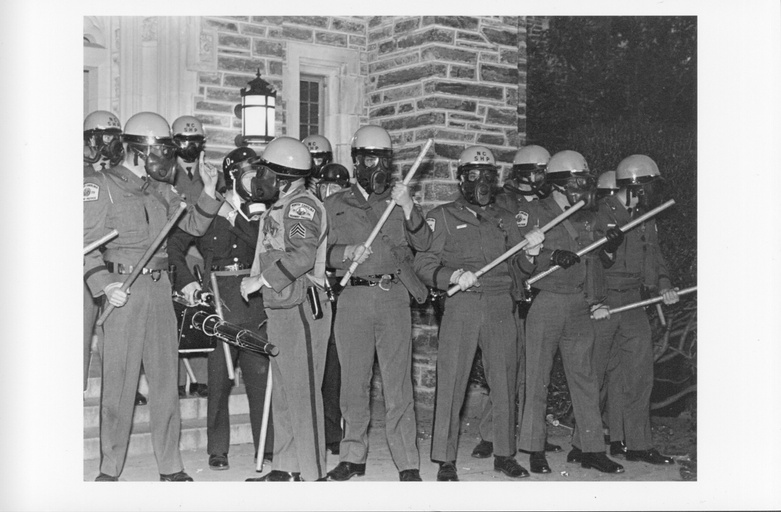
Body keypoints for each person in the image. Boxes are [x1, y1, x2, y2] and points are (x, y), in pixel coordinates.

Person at [84, 111, 222, 482]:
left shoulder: (160, 190)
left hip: (161, 291)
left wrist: (209, 193)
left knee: (165, 382)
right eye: (163, 149)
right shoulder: (103, 186)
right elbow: (84, 244)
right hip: (123, 292)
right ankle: (110, 468)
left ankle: (171, 466)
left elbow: (190, 226)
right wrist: (103, 286)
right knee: (118, 385)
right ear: (139, 151)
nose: (171, 158)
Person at [415, 146, 544, 481]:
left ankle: (504, 453)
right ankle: (445, 459)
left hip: (501, 304)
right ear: (461, 179)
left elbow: (520, 267)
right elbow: (424, 264)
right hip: (463, 304)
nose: (482, 182)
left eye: (488, 176)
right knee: (452, 379)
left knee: (505, 381)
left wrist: (531, 252)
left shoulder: (504, 217)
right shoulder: (443, 215)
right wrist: (453, 276)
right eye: (474, 175)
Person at [324, 125, 431, 482]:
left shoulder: (399, 199)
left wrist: (409, 204)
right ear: (355, 161)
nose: (377, 166)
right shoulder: (334, 203)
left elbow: (425, 243)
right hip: (353, 297)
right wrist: (345, 253)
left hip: (392, 297)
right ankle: (352, 455)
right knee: (353, 381)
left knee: (398, 382)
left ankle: (407, 461)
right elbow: (318, 252)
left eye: (383, 158)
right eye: (369, 158)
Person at [514, 150, 624, 474]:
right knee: (537, 377)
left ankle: (591, 449)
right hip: (547, 301)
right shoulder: (534, 211)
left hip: (577, 303)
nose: (582, 188)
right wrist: (549, 256)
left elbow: (596, 261)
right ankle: (534, 448)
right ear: (558, 185)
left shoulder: (588, 216)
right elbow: (520, 261)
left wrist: (608, 248)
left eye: (584, 182)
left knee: (586, 377)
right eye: (576, 182)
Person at [167, 146, 274, 472]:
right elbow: (174, 245)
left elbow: (263, 245)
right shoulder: (210, 204)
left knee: (259, 377)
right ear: (233, 175)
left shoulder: (264, 210)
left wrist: (235, 214)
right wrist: (189, 284)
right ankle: (218, 448)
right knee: (218, 382)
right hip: (220, 296)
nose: (254, 179)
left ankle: (267, 446)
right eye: (248, 172)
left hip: (253, 298)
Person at [240, 136, 331, 482]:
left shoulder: (301, 206)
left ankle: (313, 474)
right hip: (282, 306)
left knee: (304, 393)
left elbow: (303, 255)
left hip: (302, 308)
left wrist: (259, 281)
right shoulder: (282, 204)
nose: (261, 178)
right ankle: (287, 467)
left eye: (268, 172)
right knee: (284, 390)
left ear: (286, 177)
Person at [586, 155, 678, 465]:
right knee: (594, 373)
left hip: (634, 302)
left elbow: (656, 256)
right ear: (635, 185)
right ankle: (583, 444)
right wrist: (594, 301)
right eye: (649, 186)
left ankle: (639, 444)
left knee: (640, 374)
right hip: (605, 300)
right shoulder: (600, 213)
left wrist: (663, 285)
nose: (653, 192)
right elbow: (591, 261)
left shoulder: (646, 216)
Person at [471, 144, 561, 459]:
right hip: (513, 292)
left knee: (534, 370)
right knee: (504, 369)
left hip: (544, 292)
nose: (546, 177)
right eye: (541, 171)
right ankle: (491, 434)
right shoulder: (502, 204)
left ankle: (531, 432)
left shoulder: (551, 204)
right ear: (525, 173)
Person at [83, 111, 148, 406]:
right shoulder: (81, 172)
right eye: (103, 136)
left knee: (116, 331)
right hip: (86, 259)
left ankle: (123, 387)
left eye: (114, 136)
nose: (109, 143)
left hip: (113, 258)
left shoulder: (119, 173)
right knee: (82, 327)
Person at [312, 163, 352, 455]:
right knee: (321, 364)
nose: (329, 193)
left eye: (335, 188)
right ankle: (320, 431)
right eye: (324, 187)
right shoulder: (314, 213)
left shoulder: (349, 216)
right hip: (316, 294)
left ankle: (336, 433)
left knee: (338, 367)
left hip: (343, 295)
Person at [171, 115, 210, 398]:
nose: (188, 147)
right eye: (183, 141)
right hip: (173, 252)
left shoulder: (208, 175)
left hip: (200, 254)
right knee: (172, 318)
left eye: (194, 141)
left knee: (199, 314)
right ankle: (176, 379)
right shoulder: (166, 174)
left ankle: (203, 378)